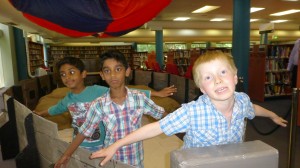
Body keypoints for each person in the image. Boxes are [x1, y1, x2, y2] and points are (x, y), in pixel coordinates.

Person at [90, 50, 288, 167]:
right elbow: (154, 128)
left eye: (222, 72)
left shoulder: (242, 100)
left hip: (227, 160)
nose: (218, 80)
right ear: (202, 88)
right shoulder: (192, 112)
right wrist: (116, 145)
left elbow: (252, 108)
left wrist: (272, 115)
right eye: (208, 77)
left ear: (235, 77)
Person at [33, 56, 176, 167]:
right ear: (102, 74)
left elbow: (129, 92)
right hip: (85, 142)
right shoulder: (70, 99)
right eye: (63, 74)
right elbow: (56, 109)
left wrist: (156, 93)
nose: (67, 77)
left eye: (71, 72)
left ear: (84, 74)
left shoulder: (98, 91)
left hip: (105, 143)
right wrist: (41, 113)